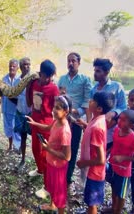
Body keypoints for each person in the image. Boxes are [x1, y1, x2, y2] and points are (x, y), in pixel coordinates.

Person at [27, 95, 72, 214]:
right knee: (52, 187)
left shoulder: (65, 131)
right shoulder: (57, 121)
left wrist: (48, 149)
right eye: (54, 107)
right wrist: (35, 123)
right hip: (51, 162)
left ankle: (60, 210)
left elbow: (67, 157)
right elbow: (47, 128)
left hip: (59, 167)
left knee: (60, 194)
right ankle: (52, 205)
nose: (53, 110)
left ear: (66, 111)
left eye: (57, 108)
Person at [57, 52, 92, 194]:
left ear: (79, 62)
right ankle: (58, 174)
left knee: (71, 150)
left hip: (75, 122)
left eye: (73, 61)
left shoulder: (85, 80)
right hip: (61, 121)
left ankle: (67, 178)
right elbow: (57, 97)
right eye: (68, 61)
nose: (70, 63)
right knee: (60, 148)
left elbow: (87, 102)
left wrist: (74, 113)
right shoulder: (62, 79)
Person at [76, 91, 115, 214]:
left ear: (99, 108)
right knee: (89, 200)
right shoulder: (98, 119)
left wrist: (83, 163)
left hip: (95, 173)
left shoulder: (97, 127)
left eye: (92, 100)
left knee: (92, 203)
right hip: (93, 172)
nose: (89, 101)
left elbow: (101, 159)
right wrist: (85, 125)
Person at [26, 59, 59, 198]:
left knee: (46, 156)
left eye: (51, 76)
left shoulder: (53, 88)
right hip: (34, 123)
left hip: (46, 127)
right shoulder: (33, 83)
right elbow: (29, 102)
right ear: (41, 73)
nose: (49, 79)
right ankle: (40, 170)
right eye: (47, 76)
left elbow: (58, 109)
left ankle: (47, 187)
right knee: (35, 150)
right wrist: (28, 86)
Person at [108, 109, 134, 214]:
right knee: (113, 187)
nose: (119, 121)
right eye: (119, 118)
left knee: (121, 194)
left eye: (124, 120)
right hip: (113, 165)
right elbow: (115, 145)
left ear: (132, 125)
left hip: (124, 172)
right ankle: (113, 208)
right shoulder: (116, 130)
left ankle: (118, 211)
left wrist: (123, 158)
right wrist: (106, 152)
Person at [88, 58, 127, 154]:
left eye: (98, 71)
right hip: (97, 129)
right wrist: (89, 125)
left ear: (106, 72)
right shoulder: (93, 90)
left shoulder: (117, 87)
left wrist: (112, 113)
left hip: (112, 130)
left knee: (106, 158)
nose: (95, 73)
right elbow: (90, 109)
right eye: (94, 70)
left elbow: (123, 107)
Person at [14, 57, 32, 172]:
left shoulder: (33, 80)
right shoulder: (17, 81)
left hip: (31, 113)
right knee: (23, 137)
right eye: (25, 65)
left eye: (29, 64)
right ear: (20, 67)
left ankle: (38, 161)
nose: (27, 66)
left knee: (36, 137)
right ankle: (23, 159)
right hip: (20, 113)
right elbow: (14, 96)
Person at [1, 59, 21, 152]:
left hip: (15, 109)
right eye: (10, 66)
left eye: (14, 66)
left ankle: (19, 147)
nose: (11, 68)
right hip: (6, 108)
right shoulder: (4, 79)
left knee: (16, 129)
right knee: (8, 128)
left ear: (17, 68)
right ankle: (10, 146)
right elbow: (1, 93)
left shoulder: (20, 80)